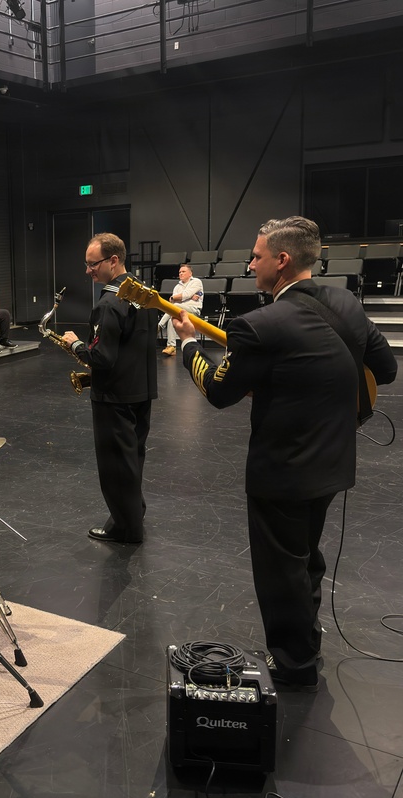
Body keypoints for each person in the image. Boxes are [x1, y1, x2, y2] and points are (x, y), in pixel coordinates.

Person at [171, 216, 397, 690]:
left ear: (282, 259)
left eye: (256, 255)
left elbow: (218, 390)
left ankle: (294, 663)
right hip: (335, 460)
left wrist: (190, 341)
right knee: (305, 557)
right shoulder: (346, 303)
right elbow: (386, 369)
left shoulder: (260, 324)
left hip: (282, 471)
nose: (250, 264)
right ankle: (305, 643)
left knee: (280, 569)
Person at [62, 232, 158, 544]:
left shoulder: (108, 304)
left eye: (93, 264)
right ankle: (133, 512)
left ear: (113, 261)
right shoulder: (143, 294)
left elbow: (101, 358)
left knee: (115, 467)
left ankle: (126, 528)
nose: (88, 270)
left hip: (114, 398)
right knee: (133, 459)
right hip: (141, 391)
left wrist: (75, 343)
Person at [160, 264, 202, 356]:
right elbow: (172, 300)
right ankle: (171, 347)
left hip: (193, 310)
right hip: (180, 311)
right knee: (172, 319)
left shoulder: (196, 282)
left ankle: (159, 325)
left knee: (176, 307)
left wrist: (180, 297)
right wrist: (188, 296)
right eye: (179, 272)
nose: (181, 274)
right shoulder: (177, 286)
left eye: (183, 272)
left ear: (190, 274)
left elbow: (184, 295)